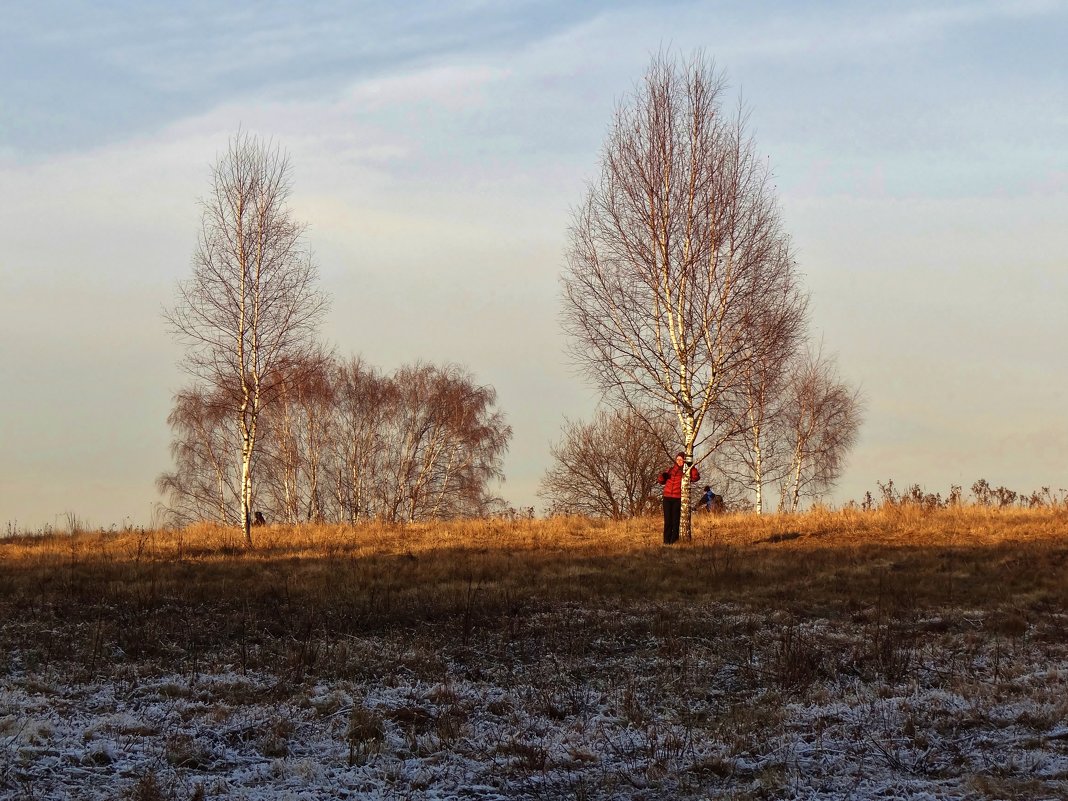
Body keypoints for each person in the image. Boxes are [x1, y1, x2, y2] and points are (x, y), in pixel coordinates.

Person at [658, 452, 699, 544]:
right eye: (677, 459)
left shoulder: (686, 471)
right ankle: (666, 541)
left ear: (684, 461)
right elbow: (661, 481)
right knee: (667, 521)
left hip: (677, 498)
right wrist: (662, 476)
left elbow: (695, 477)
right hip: (667, 498)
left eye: (681, 460)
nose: (679, 461)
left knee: (675, 521)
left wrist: (691, 466)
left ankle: (673, 541)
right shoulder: (670, 470)